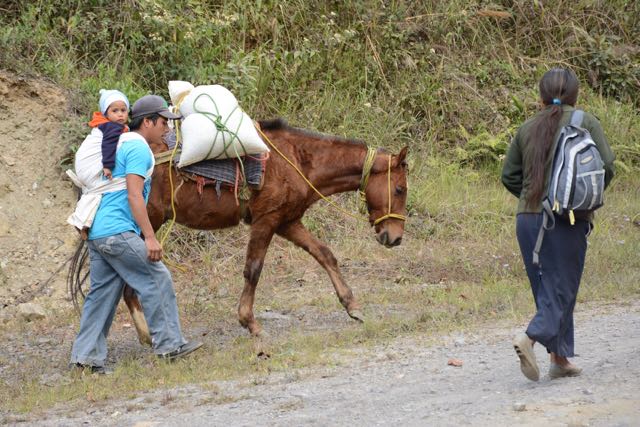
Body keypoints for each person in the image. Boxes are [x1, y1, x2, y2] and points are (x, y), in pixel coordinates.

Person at [70, 95, 202, 374]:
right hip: (117, 230)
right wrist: (150, 237)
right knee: (156, 277)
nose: (167, 128)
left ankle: (85, 359)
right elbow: (134, 195)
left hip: (97, 232)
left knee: (102, 293)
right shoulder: (138, 148)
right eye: (163, 121)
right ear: (148, 122)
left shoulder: (120, 144)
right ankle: (170, 346)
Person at [501, 67, 615, 381]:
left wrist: (528, 199)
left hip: (527, 219)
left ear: (540, 96)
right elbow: (606, 166)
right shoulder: (586, 122)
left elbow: (508, 175)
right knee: (562, 289)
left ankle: (560, 359)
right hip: (567, 218)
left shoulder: (526, 127)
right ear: (575, 96)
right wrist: (584, 198)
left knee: (547, 288)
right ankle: (530, 337)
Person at [88, 89, 130, 180]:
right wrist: (107, 166)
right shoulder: (112, 127)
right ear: (106, 114)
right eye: (115, 111)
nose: (120, 114)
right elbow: (109, 143)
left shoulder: (107, 124)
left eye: (123, 110)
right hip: (98, 166)